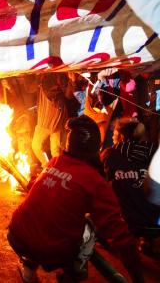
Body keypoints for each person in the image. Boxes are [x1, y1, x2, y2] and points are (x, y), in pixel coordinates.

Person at [8, 115, 144, 283]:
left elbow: (35, 188)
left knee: (44, 216)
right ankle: (73, 273)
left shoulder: (54, 162)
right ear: (95, 148)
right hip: (48, 249)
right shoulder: (94, 181)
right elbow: (119, 234)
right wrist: (139, 278)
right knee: (90, 225)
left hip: (16, 234)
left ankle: (28, 272)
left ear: (68, 145)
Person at [101, 118, 160, 257]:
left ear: (121, 137)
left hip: (126, 224)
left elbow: (100, 186)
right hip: (155, 224)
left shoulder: (110, 154)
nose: (112, 138)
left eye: (114, 135)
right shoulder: (155, 151)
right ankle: (149, 240)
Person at [31, 73, 69, 167]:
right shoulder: (42, 76)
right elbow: (29, 88)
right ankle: (48, 166)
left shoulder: (59, 75)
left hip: (55, 121)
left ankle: (56, 170)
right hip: (45, 121)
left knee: (55, 151)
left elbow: (66, 94)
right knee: (37, 146)